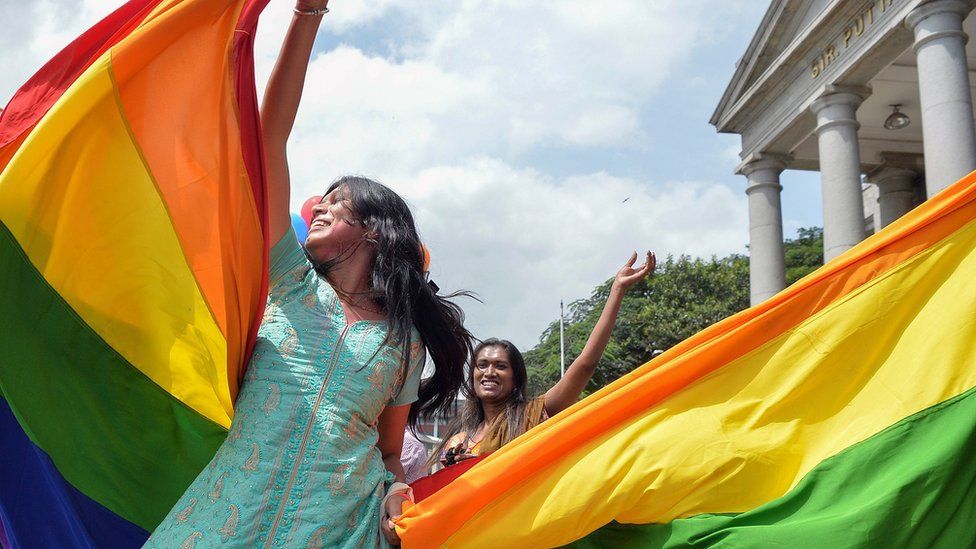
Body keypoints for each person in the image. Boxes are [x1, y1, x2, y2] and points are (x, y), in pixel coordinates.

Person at [146, 1, 473, 547]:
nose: (316, 206)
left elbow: (390, 452)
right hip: (231, 509)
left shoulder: (404, 342)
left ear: (374, 229)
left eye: (337, 202)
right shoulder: (290, 281)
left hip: (337, 526)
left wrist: (396, 494)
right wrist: (307, 15)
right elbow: (269, 137)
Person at [436, 252, 655, 465]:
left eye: (500, 366)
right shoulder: (459, 442)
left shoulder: (533, 415)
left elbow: (585, 365)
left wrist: (617, 290)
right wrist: (456, 468)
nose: (489, 372)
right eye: (482, 365)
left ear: (515, 380)